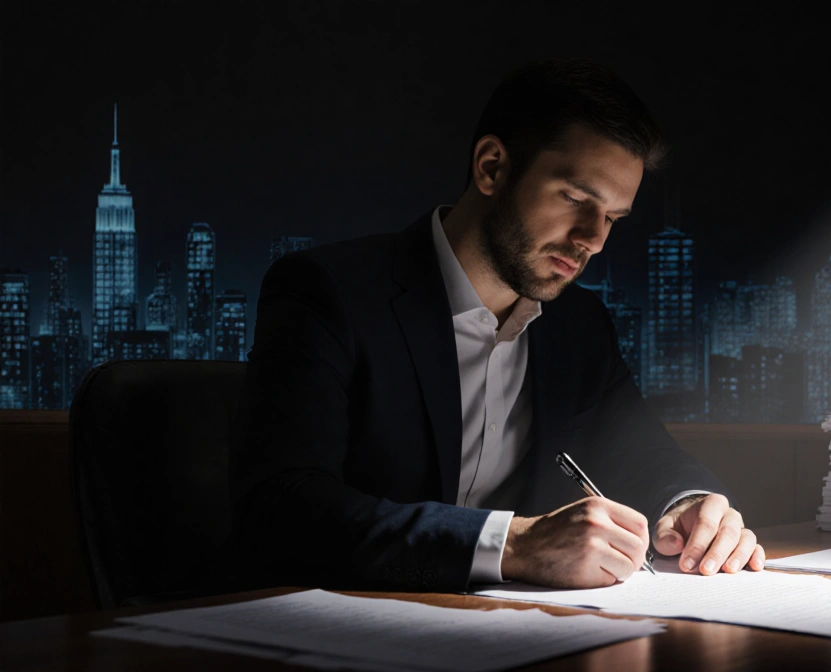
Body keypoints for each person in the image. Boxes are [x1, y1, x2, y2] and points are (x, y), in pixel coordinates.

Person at [229, 57, 765, 593]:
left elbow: (643, 452)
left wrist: (689, 504)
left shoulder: (579, 325)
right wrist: (510, 544)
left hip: (516, 631)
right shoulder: (329, 292)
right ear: (491, 167)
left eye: (612, 219)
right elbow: (282, 506)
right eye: (577, 200)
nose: (593, 239)